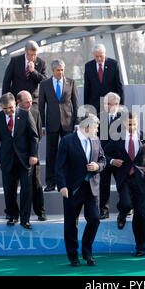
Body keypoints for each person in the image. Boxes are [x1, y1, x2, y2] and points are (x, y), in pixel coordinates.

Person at [104, 112, 145, 257]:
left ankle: (141, 246)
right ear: (124, 123)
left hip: (142, 179)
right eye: (129, 124)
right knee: (126, 203)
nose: (132, 127)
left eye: (134, 124)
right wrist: (112, 161)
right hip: (124, 178)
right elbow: (104, 154)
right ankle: (122, 213)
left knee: (140, 213)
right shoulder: (116, 138)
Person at [55, 113, 106, 267]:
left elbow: (103, 159)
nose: (97, 131)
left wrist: (98, 166)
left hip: (92, 188)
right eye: (96, 127)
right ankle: (73, 255)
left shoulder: (96, 140)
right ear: (87, 126)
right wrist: (62, 186)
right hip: (73, 189)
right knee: (71, 223)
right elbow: (60, 166)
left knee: (95, 219)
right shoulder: (67, 141)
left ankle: (87, 252)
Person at [0, 92, 39, 229]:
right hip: (7, 160)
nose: (8, 111)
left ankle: (25, 219)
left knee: (26, 190)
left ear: (15, 104)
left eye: (11, 108)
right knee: (9, 190)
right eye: (5, 109)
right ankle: (12, 216)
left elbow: (33, 136)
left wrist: (33, 154)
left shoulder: (24, 114)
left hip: (25, 160)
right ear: (1, 106)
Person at [38, 59, 79, 192]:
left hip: (68, 123)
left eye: (62, 70)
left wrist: (77, 122)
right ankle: (51, 182)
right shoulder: (44, 84)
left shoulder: (71, 83)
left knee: (69, 152)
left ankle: (68, 180)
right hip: (51, 124)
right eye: (58, 70)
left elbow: (76, 104)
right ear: (52, 71)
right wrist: (42, 126)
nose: (60, 72)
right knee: (51, 154)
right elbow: (40, 107)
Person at [17, 90, 46, 221]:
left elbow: (38, 135)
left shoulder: (35, 112)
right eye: (26, 102)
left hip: (33, 155)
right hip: (17, 155)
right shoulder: (14, 112)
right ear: (18, 102)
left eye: (31, 101)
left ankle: (40, 211)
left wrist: (32, 153)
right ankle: (14, 214)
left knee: (36, 183)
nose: (30, 104)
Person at [98, 92, 122, 219]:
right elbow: (96, 141)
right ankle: (104, 210)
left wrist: (114, 158)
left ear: (116, 104)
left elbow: (121, 141)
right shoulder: (99, 117)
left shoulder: (124, 118)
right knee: (103, 186)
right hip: (104, 159)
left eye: (108, 104)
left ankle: (125, 209)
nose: (105, 106)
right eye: (105, 104)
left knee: (122, 185)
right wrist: (107, 158)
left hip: (120, 159)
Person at [2, 40, 47, 106]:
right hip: (17, 98)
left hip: (32, 101)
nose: (33, 57)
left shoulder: (41, 63)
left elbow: (44, 81)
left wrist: (33, 72)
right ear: (25, 51)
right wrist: (5, 100)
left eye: (35, 55)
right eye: (31, 55)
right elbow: (7, 81)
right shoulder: (15, 61)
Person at [83, 43, 124, 114]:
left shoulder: (114, 65)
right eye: (96, 56)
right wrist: (86, 106)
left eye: (101, 56)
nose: (99, 59)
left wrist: (121, 105)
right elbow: (87, 87)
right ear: (93, 55)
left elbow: (120, 86)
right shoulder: (88, 66)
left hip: (110, 104)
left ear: (105, 53)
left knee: (109, 125)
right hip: (94, 105)